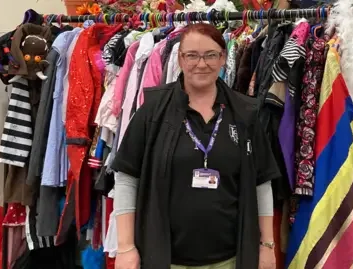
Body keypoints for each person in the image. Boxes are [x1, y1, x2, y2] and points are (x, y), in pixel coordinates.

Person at [112, 23, 280, 269]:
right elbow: (127, 178)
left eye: (211, 55)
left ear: (223, 58)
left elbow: (262, 182)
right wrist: (126, 248)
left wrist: (267, 246)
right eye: (192, 55)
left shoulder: (246, 112)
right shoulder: (153, 110)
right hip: (167, 260)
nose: (201, 64)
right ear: (179, 59)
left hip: (231, 260)